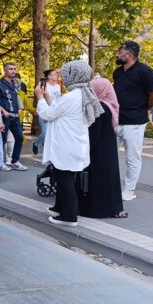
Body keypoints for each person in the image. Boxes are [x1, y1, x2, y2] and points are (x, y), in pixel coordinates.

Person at [36, 60, 103, 227]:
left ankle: (68, 216)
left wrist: (40, 98)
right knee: (64, 177)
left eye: (65, 74)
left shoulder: (71, 96)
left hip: (65, 144)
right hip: (75, 143)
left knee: (64, 178)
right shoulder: (84, 93)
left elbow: (48, 114)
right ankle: (60, 208)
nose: (63, 78)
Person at [113, 41, 153, 201]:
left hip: (135, 122)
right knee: (109, 155)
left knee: (132, 158)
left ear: (129, 55)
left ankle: (129, 189)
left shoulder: (145, 71)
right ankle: (109, 186)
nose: (117, 54)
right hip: (116, 120)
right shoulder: (117, 73)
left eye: (120, 51)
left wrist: (143, 108)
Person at [79, 78, 127, 218]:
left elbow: (94, 132)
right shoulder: (109, 105)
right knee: (109, 179)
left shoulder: (99, 107)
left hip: (98, 151)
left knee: (97, 179)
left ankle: (96, 210)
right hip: (108, 150)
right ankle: (113, 208)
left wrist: (86, 149)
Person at [0, 63, 27, 171]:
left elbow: (16, 98)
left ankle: (15, 161)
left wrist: (19, 108)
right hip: (5, 116)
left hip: (14, 116)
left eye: (14, 69)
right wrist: (4, 111)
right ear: (5, 70)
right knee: (3, 140)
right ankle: (0, 162)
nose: (13, 71)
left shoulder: (15, 83)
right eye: (11, 69)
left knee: (19, 137)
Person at [32, 69, 62, 155]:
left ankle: (50, 155)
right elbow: (40, 96)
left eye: (57, 74)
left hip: (55, 111)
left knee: (53, 134)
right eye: (54, 74)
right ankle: (36, 143)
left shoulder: (58, 86)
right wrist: (38, 109)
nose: (57, 75)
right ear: (49, 76)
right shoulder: (43, 85)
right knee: (46, 133)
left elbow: (58, 99)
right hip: (44, 111)